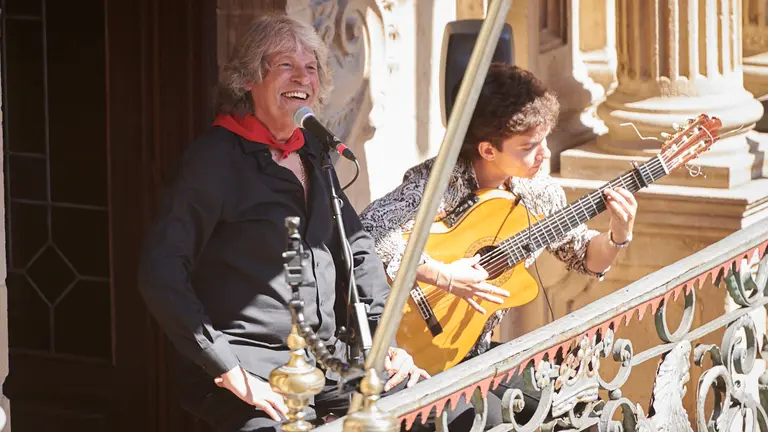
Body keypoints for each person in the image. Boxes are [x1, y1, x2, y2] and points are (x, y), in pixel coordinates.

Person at [138, 15, 433, 432]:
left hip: (328, 363)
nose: (302, 77)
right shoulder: (213, 161)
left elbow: (358, 248)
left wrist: (383, 341)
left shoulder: (312, 151)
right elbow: (160, 271)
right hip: (252, 371)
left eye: (311, 67)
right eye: (285, 65)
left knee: (434, 411)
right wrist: (227, 366)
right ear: (248, 79)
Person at [359, 63, 638, 427]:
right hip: (409, 357)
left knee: (579, 408)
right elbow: (368, 230)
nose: (544, 154)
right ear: (488, 150)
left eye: (545, 140)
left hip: (474, 352)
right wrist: (443, 275)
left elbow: (585, 257)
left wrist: (618, 234)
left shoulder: (538, 192)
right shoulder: (440, 183)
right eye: (529, 147)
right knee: (496, 420)